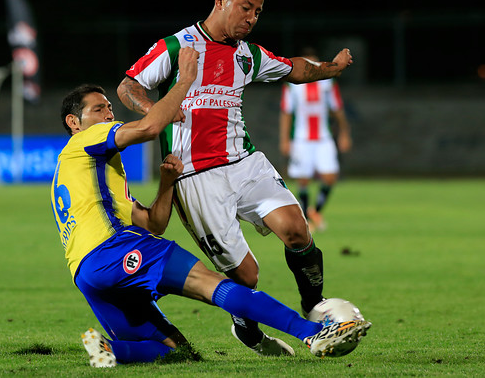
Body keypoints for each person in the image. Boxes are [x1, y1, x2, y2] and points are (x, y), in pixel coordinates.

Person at [50, 47, 370, 367]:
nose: (109, 114)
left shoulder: (82, 176)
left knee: (177, 351)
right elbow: (148, 128)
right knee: (210, 285)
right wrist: (186, 79)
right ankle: (312, 332)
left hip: (87, 275)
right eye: (98, 109)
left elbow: (152, 224)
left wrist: (167, 183)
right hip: (114, 249)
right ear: (74, 122)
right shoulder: (85, 141)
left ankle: (110, 350)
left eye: (108, 108)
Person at [116, 0, 355, 356]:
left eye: (258, 12)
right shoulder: (178, 47)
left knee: (297, 229)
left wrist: (331, 68)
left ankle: (315, 306)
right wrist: (154, 109)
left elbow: (293, 68)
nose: (251, 18)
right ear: (221, 1)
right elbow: (129, 85)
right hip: (195, 178)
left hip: (244, 163)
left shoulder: (246, 55)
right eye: (246, 8)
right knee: (246, 275)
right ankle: (247, 328)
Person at [279, 47, 352, 232]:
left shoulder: (327, 83)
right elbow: (286, 113)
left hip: (323, 138)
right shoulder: (292, 84)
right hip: (301, 138)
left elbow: (337, 109)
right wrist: (285, 139)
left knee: (330, 177)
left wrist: (344, 132)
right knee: (303, 180)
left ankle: (315, 211)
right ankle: (306, 220)